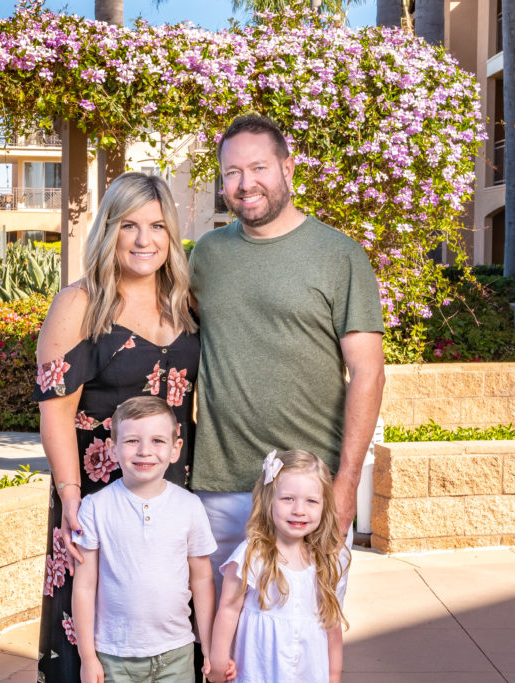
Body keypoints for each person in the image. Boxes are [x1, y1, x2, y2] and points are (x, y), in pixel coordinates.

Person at [189, 114, 385, 593]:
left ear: (288, 169)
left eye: (258, 168)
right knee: (224, 648)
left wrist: (343, 487)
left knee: (302, 646)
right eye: (232, 172)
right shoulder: (207, 255)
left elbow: (368, 374)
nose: (245, 183)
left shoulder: (339, 255)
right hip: (221, 487)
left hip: (307, 490)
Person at [33, 172, 200, 681]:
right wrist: (69, 495)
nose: (144, 240)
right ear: (109, 229)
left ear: (171, 233)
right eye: (130, 225)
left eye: (157, 226)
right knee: (93, 625)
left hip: (169, 488)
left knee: (165, 619)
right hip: (96, 492)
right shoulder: (78, 304)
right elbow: (55, 411)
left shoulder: (185, 302)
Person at [71, 396, 217, 683]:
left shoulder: (189, 506)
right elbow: (85, 586)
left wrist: (210, 649)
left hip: (176, 652)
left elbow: (202, 580)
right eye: (132, 441)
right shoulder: (95, 507)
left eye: (158, 441)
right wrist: (87, 657)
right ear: (112, 449)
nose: (145, 451)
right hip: (114, 655)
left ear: (176, 450)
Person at [208, 450, 350, 683]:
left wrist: (333, 676)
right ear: (268, 500)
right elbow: (228, 610)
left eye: (311, 501)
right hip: (259, 668)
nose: (299, 510)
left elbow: (332, 625)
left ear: (325, 506)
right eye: (288, 499)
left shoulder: (323, 560)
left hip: (309, 670)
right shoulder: (252, 554)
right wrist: (218, 664)